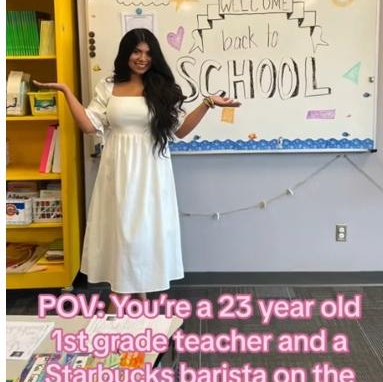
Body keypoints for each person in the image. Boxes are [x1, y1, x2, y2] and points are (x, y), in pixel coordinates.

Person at [35, 29, 240, 303]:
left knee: (143, 233)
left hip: (152, 171)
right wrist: (66, 92)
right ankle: (126, 300)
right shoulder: (107, 86)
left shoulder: (162, 89)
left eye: (147, 53)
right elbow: (88, 125)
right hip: (117, 171)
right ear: (126, 53)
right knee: (122, 232)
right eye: (136, 51)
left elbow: (179, 131)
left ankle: (132, 299)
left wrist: (207, 103)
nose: (142, 58)